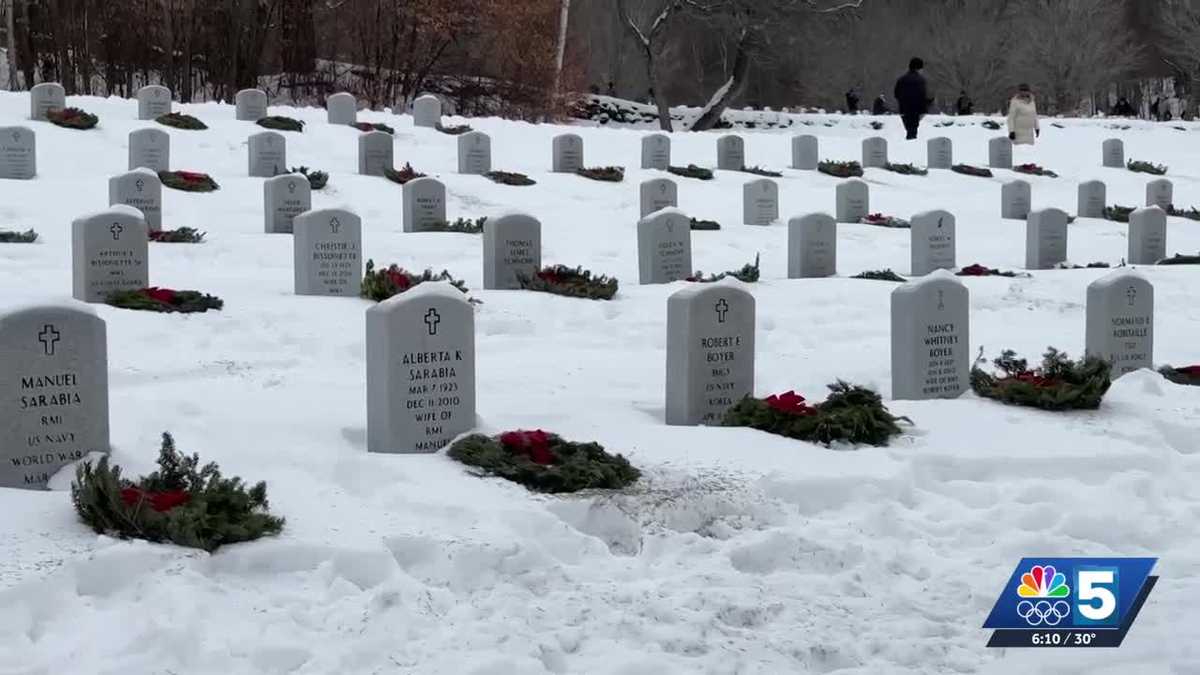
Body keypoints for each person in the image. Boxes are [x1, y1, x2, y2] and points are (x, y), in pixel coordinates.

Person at [894, 57, 928, 140]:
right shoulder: (921, 80)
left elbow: (896, 94)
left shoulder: (901, 79)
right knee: (913, 132)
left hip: (904, 109)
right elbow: (923, 96)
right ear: (919, 68)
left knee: (909, 130)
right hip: (917, 110)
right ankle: (911, 147)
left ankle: (909, 143)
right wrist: (924, 110)